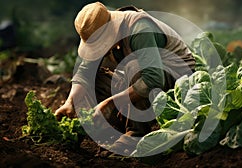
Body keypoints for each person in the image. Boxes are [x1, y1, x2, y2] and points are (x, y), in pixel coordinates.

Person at [54, 2, 195, 156]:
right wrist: (69, 103)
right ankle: (108, 132)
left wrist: (110, 103)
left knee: (134, 67)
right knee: (97, 78)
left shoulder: (138, 28)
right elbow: (85, 72)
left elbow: (153, 79)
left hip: (178, 79)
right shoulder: (98, 29)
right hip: (144, 79)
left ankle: (134, 136)